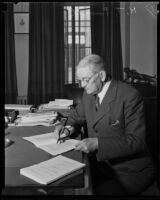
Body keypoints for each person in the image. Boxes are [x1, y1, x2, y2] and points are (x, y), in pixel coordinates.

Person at [55, 54, 155, 195]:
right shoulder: (88, 93)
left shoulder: (129, 95)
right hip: (99, 166)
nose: (82, 85)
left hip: (128, 172)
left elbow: (136, 141)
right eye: (80, 80)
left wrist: (98, 144)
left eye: (86, 80)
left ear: (101, 75)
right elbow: (76, 116)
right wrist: (67, 129)